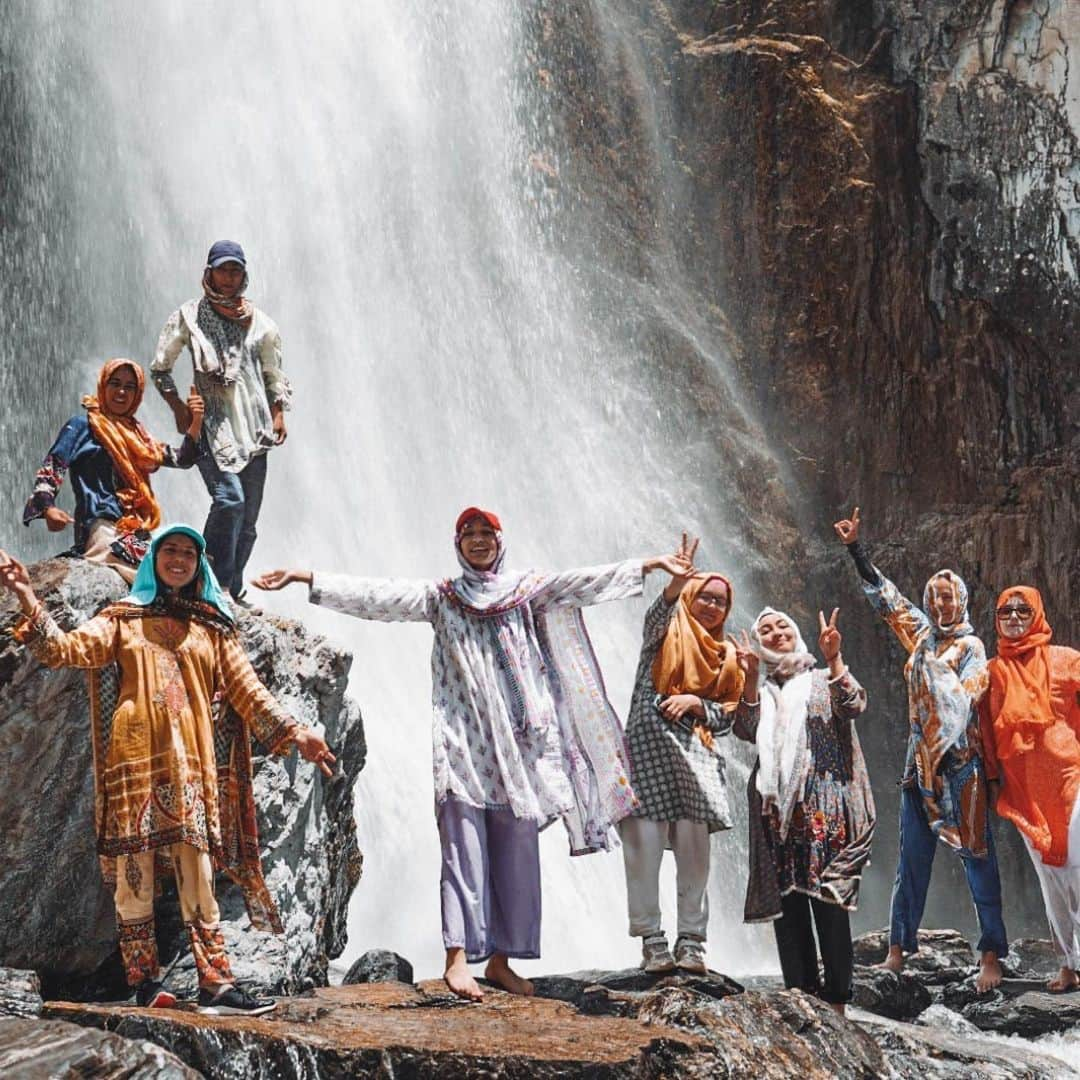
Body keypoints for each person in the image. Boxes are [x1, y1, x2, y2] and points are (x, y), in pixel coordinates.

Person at [253, 507, 692, 1001]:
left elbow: (581, 582)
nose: (478, 540)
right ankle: (458, 959)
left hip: (522, 744)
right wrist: (307, 577)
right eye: (469, 534)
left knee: (518, 851)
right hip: (463, 742)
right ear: (457, 544)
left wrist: (651, 566)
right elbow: (379, 596)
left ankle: (502, 961)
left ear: (500, 541)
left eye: (487, 533)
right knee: (462, 845)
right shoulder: (442, 597)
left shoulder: (527, 589)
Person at [0, 525, 334, 1014]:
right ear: (153, 559)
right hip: (132, 772)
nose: (178, 559)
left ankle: (216, 984)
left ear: (199, 565)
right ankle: (145, 984)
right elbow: (63, 650)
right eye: (170, 551)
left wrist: (297, 732)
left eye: (188, 553)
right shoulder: (122, 620)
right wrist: (26, 594)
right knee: (133, 881)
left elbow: (249, 691)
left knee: (198, 878)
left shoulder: (213, 628)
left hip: (193, 772)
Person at [835, 507, 1006, 992]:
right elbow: (887, 600)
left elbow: (971, 692)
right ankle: (896, 949)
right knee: (911, 857)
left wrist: (946, 699)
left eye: (947, 598)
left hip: (960, 765)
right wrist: (856, 549)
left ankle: (991, 953)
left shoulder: (972, 647)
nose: (939, 605)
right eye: (934, 598)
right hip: (919, 767)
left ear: (962, 602)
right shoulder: (921, 637)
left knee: (977, 856)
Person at [729, 607, 874, 1015]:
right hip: (777, 816)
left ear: (796, 634)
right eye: (766, 630)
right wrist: (751, 678)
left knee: (829, 902)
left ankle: (839, 1001)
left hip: (824, 809)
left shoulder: (823, 680)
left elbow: (854, 704)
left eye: (782, 627)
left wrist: (833, 658)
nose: (775, 634)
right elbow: (744, 728)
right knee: (788, 908)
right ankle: (802, 997)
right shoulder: (765, 691)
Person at [620, 534, 745, 974]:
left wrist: (696, 704)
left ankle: (691, 942)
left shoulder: (730, 657)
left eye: (720, 602)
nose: (712, 606)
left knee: (695, 853)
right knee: (643, 848)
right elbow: (658, 613)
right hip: (648, 756)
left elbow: (728, 717)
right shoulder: (665, 633)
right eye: (705, 597)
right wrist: (673, 582)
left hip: (697, 759)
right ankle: (651, 940)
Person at [151, 240, 291, 606]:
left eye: (235, 270)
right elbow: (160, 367)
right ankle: (211, 584)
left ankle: (233, 586)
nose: (229, 278)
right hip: (211, 426)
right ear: (208, 272)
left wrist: (278, 413)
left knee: (247, 520)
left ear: (244, 275)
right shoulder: (188, 317)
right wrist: (178, 407)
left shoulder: (262, 323)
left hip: (255, 429)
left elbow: (273, 372)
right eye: (222, 269)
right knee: (229, 501)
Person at [23, 359, 204, 584]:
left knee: (179, 566)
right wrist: (47, 508)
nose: (121, 392)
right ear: (103, 385)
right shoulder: (82, 426)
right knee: (144, 570)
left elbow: (182, 459)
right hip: (100, 522)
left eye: (130, 387)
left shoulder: (138, 435)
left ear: (138, 393)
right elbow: (53, 467)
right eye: (115, 383)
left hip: (137, 525)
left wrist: (195, 424)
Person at [980, 586, 1080, 992]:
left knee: (1078, 867)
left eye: (1024, 609)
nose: (1015, 616)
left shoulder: (1067, 659)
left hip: (1070, 777)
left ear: (1037, 612)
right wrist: (988, 781)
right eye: (1007, 610)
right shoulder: (991, 672)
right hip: (1024, 792)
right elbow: (985, 732)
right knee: (1051, 878)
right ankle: (1067, 966)